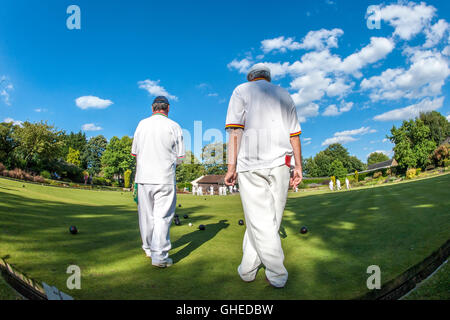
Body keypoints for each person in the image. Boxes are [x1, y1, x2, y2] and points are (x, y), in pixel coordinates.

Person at [224, 63, 303, 288]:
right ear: (268, 77)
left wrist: (231, 167)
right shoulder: (285, 94)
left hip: (251, 164)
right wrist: (299, 166)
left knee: (261, 222)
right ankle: (248, 269)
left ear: (251, 78)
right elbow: (295, 135)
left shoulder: (241, 90)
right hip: (281, 164)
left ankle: (277, 274)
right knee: (268, 222)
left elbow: (235, 131)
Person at [131, 96, 185, 268]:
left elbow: (135, 153)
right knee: (162, 218)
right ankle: (159, 256)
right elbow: (181, 158)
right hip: (164, 178)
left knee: (146, 216)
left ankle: (148, 248)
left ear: (152, 108)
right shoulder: (174, 126)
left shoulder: (141, 124)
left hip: (143, 178)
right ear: (167, 108)